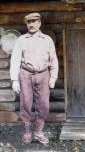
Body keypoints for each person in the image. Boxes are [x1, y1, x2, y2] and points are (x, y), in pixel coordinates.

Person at [9, 12, 58, 145]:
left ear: (39, 23)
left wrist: (53, 77)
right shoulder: (21, 40)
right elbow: (15, 60)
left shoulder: (47, 39)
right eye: (29, 22)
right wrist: (14, 79)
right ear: (26, 24)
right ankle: (27, 132)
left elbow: (53, 60)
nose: (31, 24)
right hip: (25, 74)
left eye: (34, 21)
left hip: (43, 74)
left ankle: (38, 132)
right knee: (26, 103)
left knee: (43, 105)